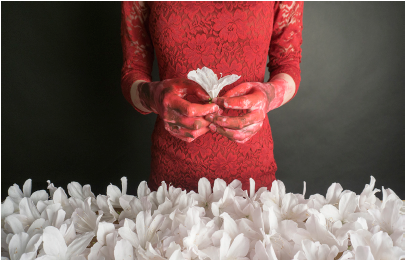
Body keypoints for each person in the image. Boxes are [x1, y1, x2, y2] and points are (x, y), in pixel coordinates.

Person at [120, 1, 303, 192]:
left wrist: (270, 95)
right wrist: (151, 97)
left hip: (252, 173)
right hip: (172, 174)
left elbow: (287, 63)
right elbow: (133, 71)